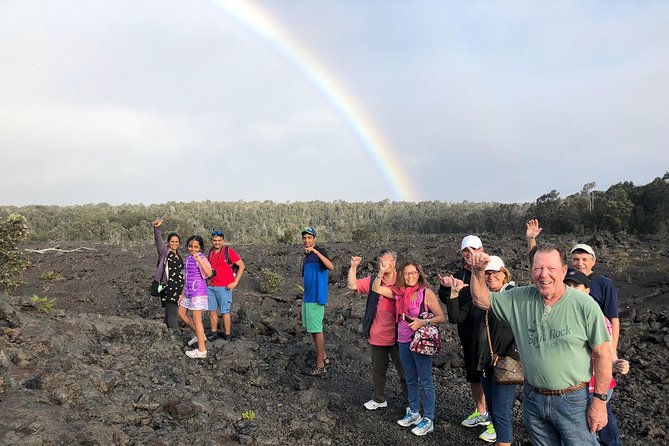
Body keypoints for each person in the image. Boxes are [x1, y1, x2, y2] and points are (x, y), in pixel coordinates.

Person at [469, 244, 612, 446]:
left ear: (563, 270)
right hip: (533, 398)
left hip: (572, 401)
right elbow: (481, 300)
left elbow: (604, 354)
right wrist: (477, 272)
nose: (544, 275)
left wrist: (599, 401)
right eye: (538, 269)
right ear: (530, 271)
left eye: (551, 269)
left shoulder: (584, 305)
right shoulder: (518, 298)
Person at [527, 219, 623, 446]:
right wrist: (532, 240)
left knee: (599, 411)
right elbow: (539, 267)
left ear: (593, 262)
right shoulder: (566, 279)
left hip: (596, 353)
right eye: (576, 259)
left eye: (584, 259)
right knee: (580, 418)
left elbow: (613, 320)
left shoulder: (603, 284)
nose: (580, 263)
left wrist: (612, 355)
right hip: (572, 362)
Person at [373, 261, 446, 436]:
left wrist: (422, 322)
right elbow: (376, 289)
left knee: (426, 381)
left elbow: (441, 317)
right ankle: (414, 412)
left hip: (421, 343)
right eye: (406, 273)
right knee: (410, 379)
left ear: (419, 273)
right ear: (401, 276)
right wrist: (381, 272)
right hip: (404, 341)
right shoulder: (398, 293)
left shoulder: (425, 293)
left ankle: (428, 419)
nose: (410, 276)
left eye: (413, 273)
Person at [564, 269, 630, 446]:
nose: (571, 289)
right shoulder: (561, 317)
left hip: (596, 384)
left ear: (587, 290)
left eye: (576, 285)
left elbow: (607, 351)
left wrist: (616, 363)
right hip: (575, 385)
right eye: (567, 285)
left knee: (588, 430)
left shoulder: (598, 318)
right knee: (595, 425)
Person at [438, 235, 490, 432]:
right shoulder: (458, 275)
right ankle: (481, 412)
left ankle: (494, 417)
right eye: (465, 251)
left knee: (490, 375)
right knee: (473, 374)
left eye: (473, 249)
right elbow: (446, 298)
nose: (469, 254)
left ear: (481, 249)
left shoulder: (490, 269)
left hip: (490, 336)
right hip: (467, 333)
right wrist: (446, 286)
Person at [347, 249, 408, 411]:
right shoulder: (374, 279)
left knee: (405, 372)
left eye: (386, 261)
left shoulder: (402, 280)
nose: (383, 264)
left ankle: (409, 403)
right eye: (381, 261)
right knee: (378, 370)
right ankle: (379, 398)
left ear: (394, 262)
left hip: (398, 335)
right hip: (377, 335)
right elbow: (352, 285)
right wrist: (353, 267)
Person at [476, 256, 518, 445]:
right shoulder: (483, 296)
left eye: (495, 272)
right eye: (487, 273)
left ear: (504, 274)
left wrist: (513, 355)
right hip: (487, 361)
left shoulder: (513, 295)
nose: (491, 276)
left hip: (505, 362)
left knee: (501, 410)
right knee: (493, 407)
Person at [301, 226, 334, 377]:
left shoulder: (319, 251)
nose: (306, 240)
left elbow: (331, 266)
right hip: (308, 297)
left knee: (317, 329)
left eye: (309, 238)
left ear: (315, 239)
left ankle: (320, 365)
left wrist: (316, 252)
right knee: (313, 329)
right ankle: (324, 357)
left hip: (316, 297)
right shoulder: (306, 256)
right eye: (305, 238)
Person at [206, 230, 245, 341]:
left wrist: (235, 282)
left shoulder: (229, 251)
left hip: (224, 287)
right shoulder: (211, 252)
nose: (217, 243)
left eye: (219, 240)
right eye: (214, 240)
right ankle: (214, 333)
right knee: (212, 311)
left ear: (223, 241)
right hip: (212, 286)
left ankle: (227, 335)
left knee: (225, 312)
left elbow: (241, 266)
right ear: (212, 241)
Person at [179, 235, 212, 359]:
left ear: (200, 248)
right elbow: (186, 277)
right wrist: (182, 294)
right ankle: (200, 335)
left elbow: (209, 274)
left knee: (197, 320)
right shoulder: (188, 258)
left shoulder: (201, 258)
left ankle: (201, 350)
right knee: (181, 313)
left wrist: (200, 261)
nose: (193, 249)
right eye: (190, 246)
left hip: (198, 292)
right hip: (188, 292)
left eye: (196, 247)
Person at [151, 219, 184, 329]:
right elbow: (158, 241)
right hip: (168, 288)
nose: (174, 243)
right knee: (172, 314)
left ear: (179, 243)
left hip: (178, 289)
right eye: (172, 241)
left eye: (176, 242)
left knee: (169, 313)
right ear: (168, 242)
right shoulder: (165, 253)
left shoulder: (179, 257)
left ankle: (167, 335)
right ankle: (175, 336)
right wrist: (157, 228)